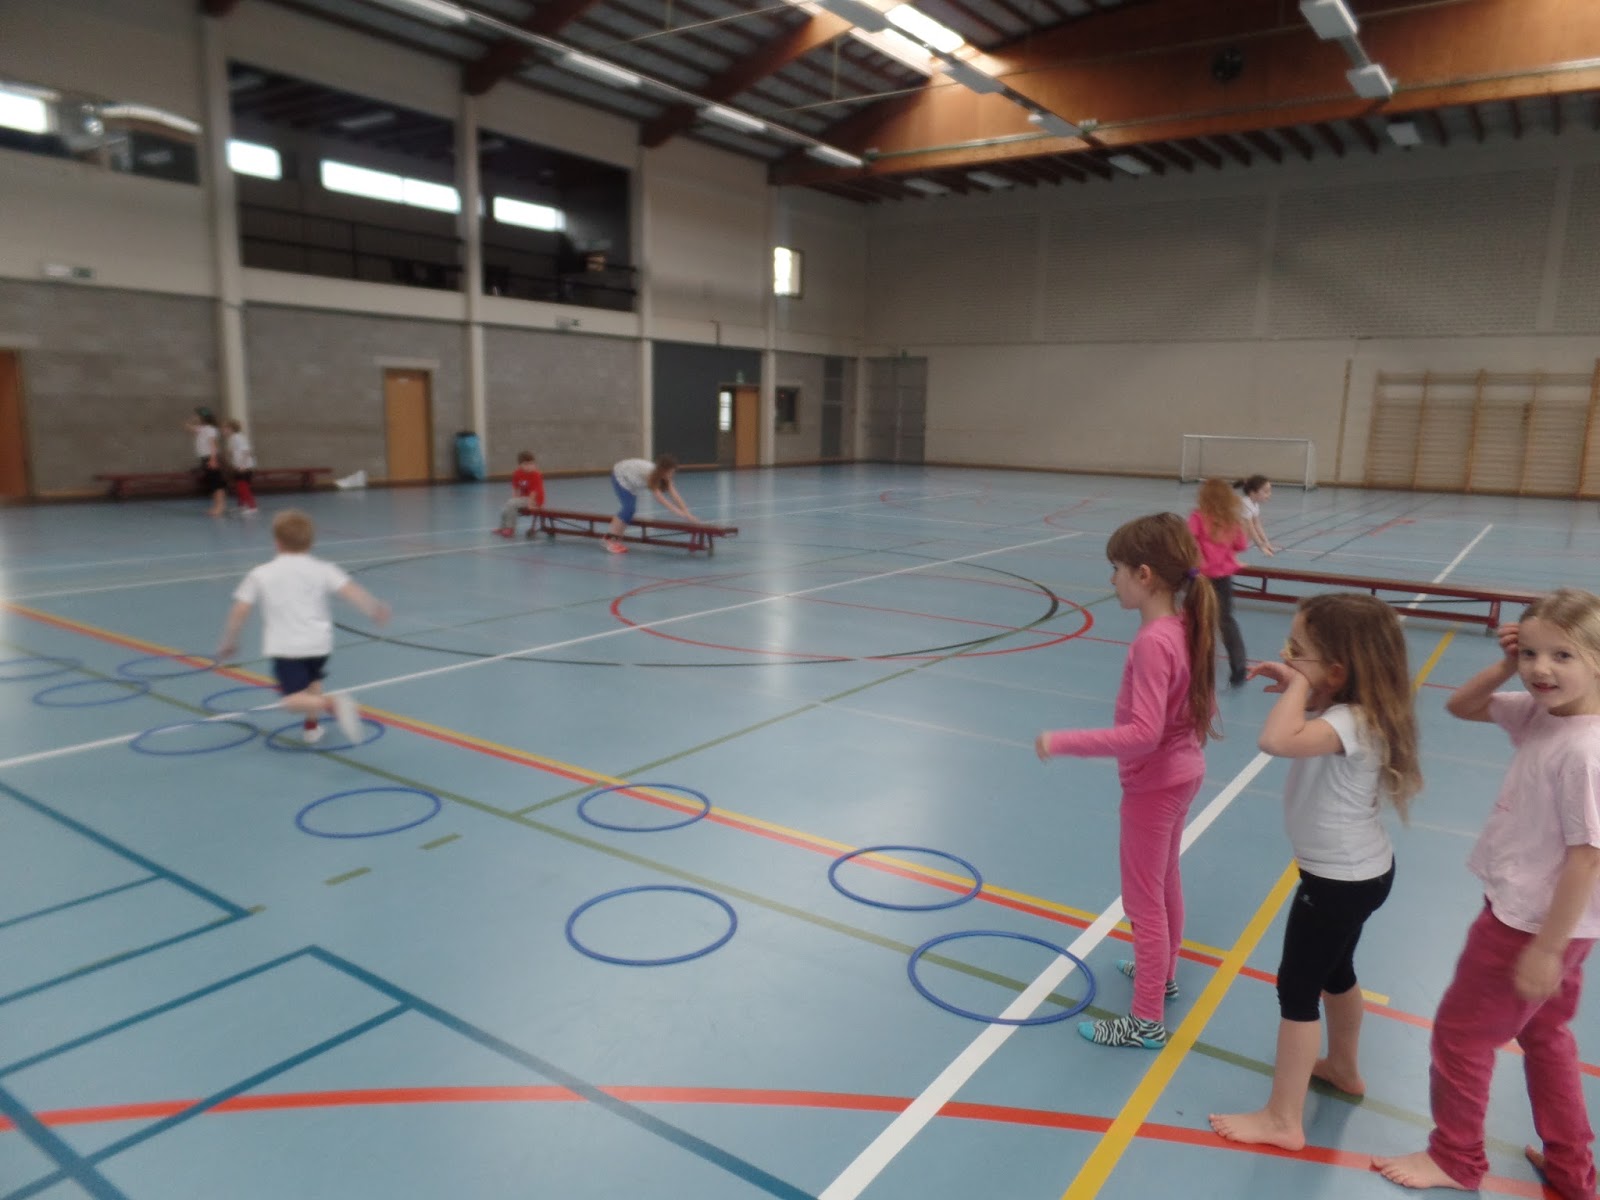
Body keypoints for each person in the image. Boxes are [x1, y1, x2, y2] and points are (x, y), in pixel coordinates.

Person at [1374, 588, 1600, 1200]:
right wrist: (1504, 666)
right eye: (1530, 654)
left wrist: (1545, 949)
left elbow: (1587, 858)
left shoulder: (1585, 751)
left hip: (1530, 925)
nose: (1540, 669)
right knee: (1546, 1035)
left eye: (1562, 656)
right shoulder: (1548, 713)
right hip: (1556, 923)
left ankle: (1455, 1157)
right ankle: (1572, 1168)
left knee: (1460, 1035)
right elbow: (1461, 705)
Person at [1208, 593, 1420, 1151]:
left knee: (1297, 990)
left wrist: (1300, 688)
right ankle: (1344, 1067)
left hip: (1337, 882)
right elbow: (1305, 728)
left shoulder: (1348, 720)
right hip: (1364, 874)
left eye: (1297, 650)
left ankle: (1283, 1119)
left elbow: (1275, 740)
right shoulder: (1356, 713)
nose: (1287, 655)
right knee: (1336, 972)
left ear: (1338, 671)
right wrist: (1304, 682)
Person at [1036, 511, 1218, 1048]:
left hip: (1154, 786)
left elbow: (1142, 733)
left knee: (1142, 902)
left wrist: (1062, 741)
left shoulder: (1153, 642)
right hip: (1183, 774)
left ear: (1144, 574)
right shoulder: (1182, 628)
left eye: (1116, 569)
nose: (1111, 579)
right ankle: (1162, 975)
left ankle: (1145, 1021)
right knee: (1164, 881)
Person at [215, 510, 391, 746]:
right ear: (310, 542)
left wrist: (230, 641)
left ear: (277, 542)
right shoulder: (324, 568)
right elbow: (351, 591)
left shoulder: (261, 573)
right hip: (319, 645)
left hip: (287, 647)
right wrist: (374, 608)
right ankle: (312, 727)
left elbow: (240, 610)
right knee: (312, 682)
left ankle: (330, 704)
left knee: (291, 701)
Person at [1189, 478, 1251, 688]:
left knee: (1198, 620)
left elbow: (1189, 542)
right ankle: (1239, 667)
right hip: (1223, 577)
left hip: (1200, 577)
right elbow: (1241, 545)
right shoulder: (1232, 520)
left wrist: (1200, 561)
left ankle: (1198, 666)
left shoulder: (1198, 517)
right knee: (1226, 621)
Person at [604, 454, 697, 554]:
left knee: (630, 511)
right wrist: (679, 513)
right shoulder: (650, 474)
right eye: (670, 472)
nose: (671, 475)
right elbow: (661, 499)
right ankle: (610, 540)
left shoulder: (664, 476)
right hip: (620, 476)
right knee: (628, 508)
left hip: (631, 479)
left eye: (673, 473)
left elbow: (675, 495)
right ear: (663, 470)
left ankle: (616, 539)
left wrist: (687, 513)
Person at [493, 450, 546, 538]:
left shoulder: (536, 474)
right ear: (520, 465)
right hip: (524, 499)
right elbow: (515, 488)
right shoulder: (517, 473)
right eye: (526, 464)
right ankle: (502, 528)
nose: (529, 466)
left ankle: (510, 528)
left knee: (511, 503)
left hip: (535, 500)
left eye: (531, 464)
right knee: (506, 508)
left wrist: (530, 505)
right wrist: (514, 499)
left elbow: (533, 492)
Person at [185, 409, 226, 518]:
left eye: (197, 416)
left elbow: (213, 445)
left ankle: (220, 507)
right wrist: (192, 419)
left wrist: (213, 459)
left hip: (211, 457)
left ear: (203, 417)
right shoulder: (202, 429)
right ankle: (216, 506)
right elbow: (187, 427)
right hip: (205, 458)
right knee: (212, 483)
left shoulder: (210, 429)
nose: (195, 417)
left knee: (217, 483)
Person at [1235, 475, 1276, 556]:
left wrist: (1266, 542)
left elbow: (1257, 525)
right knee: (1246, 530)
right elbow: (1251, 528)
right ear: (1253, 492)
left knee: (1247, 533)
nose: (1269, 494)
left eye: (1269, 491)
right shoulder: (1245, 503)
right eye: (1266, 491)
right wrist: (1261, 547)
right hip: (1220, 530)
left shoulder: (1255, 505)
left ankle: (1229, 556)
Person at [225, 418, 258, 517]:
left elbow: (246, 451)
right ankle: (242, 505)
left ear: (230, 428)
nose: (223, 430)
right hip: (239, 466)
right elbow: (234, 451)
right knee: (239, 487)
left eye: (225, 428)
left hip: (244, 466)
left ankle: (252, 507)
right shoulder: (233, 438)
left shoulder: (238, 437)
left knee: (243, 486)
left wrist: (243, 465)